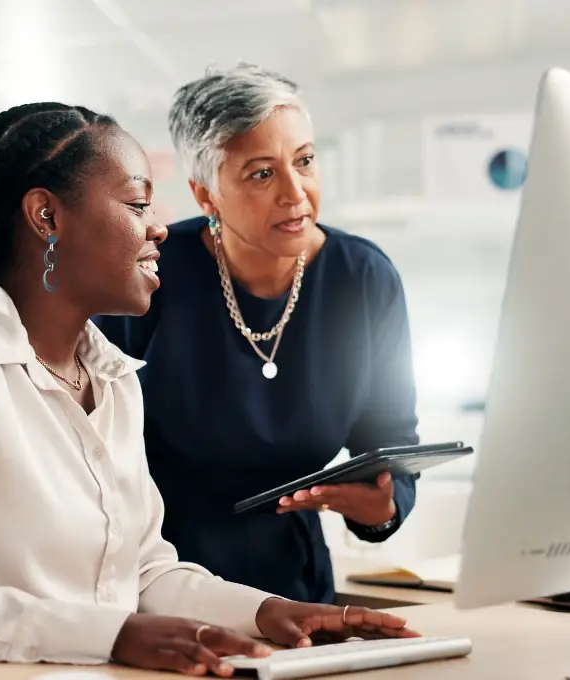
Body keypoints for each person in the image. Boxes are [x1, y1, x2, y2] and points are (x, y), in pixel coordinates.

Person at [0, 102, 417, 675]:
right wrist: (114, 635)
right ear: (46, 217)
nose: (158, 228)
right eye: (136, 204)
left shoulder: (114, 377)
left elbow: (144, 572)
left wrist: (270, 612)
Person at [93, 64, 420, 605]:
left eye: (306, 161)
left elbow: (390, 443)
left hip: (295, 585)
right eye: (262, 174)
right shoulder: (148, 272)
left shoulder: (363, 278)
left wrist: (383, 506)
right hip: (158, 582)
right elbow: (87, 446)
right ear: (206, 195)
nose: (297, 194)